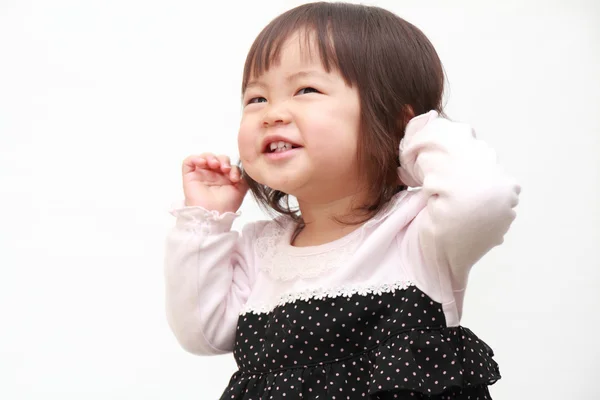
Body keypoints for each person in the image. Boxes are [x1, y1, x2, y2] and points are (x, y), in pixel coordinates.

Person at [163, 2, 521, 399]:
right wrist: (206, 221)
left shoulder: (416, 233)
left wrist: (415, 136)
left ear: (391, 120)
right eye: (256, 99)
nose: (272, 113)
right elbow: (201, 333)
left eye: (306, 90)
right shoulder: (259, 250)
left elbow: (482, 199)